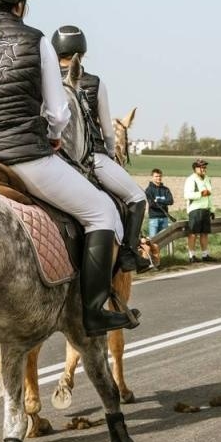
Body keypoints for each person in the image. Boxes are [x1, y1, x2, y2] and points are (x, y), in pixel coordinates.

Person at [0, 0, 134, 334]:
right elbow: (59, 113)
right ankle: (93, 311)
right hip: (24, 159)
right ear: (21, 4)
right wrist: (55, 135)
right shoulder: (36, 40)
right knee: (103, 213)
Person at [50, 26, 151, 272]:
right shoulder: (95, 83)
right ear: (82, 53)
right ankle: (128, 252)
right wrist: (107, 153)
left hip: (52, 156)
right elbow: (107, 130)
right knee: (137, 197)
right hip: (91, 155)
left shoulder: (45, 79)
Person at [183, 160, 215, 261]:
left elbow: (210, 196)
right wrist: (200, 194)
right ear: (195, 168)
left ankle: (205, 255)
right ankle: (191, 255)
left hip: (205, 208)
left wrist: (212, 209)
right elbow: (187, 195)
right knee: (193, 233)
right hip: (195, 209)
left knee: (204, 233)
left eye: (204, 167)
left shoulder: (208, 179)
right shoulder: (191, 179)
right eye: (201, 167)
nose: (203, 169)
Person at [144, 169, 174, 238]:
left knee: (164, 240)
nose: (158, 178)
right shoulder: (149, 190)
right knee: (153, 241)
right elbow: (151, 204)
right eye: (156, 176)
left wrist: (158, 200)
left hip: (164, 218)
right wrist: (164, 202)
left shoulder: (166, 189)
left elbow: (170, 201)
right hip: (154, 219)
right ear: (152, 177)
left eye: (160, 176)